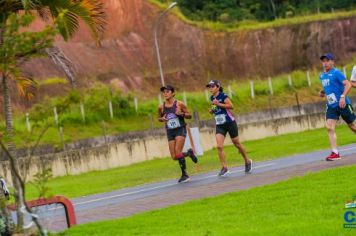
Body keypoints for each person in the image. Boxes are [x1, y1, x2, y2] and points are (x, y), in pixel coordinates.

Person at [206, 80, 252, 176]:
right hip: (220, 124)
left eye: (212, 86)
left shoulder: (223, 96)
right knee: (219, 146)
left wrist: (218, 104)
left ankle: (247, 161)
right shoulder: (211, 98)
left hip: (230, 123)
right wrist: (212, 110)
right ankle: (224, 167)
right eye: (209, 87)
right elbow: (216, 109)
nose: (210, 88)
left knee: (237, 144)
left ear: (218, 87)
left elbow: (231, 106)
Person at [318, 53, 356, 161]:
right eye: (323, 61)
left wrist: (343, 97)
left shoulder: (337, 73)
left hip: (343, 104)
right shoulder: (322, 76)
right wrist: (322, 91)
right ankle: (335, 153)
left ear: (332, 62)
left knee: (352, 126)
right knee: (329, 127)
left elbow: (348, 84)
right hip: (332, 105)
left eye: (327, 60)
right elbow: (329, 87)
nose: (325, 63)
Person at [158, 85, 198, 183]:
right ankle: (189, 153)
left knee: (178, 151)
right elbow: (159, 118)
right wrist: (161, 119)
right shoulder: (161, 106)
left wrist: (182, 114)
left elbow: (189, 115)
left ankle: (185, 174)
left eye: (167, 91)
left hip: (180, 129)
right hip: (170, 131)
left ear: (173, 93)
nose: (165, 93)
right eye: (164, 92)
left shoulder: (179, 104)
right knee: (174, 156)